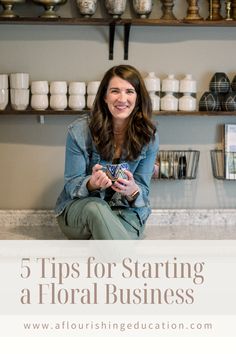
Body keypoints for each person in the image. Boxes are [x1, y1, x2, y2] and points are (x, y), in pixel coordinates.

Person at [55, 64, 159, 240]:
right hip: (82, 211)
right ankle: (123, 260)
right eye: (115, 91)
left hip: (124, 213)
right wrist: (91, 184)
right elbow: (71, 185)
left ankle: (104, 249)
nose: (122, 98)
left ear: (138, 98)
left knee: (113, 234)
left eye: (129, 91)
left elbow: (143, 192)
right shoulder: (79, 131)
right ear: (104, 96)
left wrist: (132, 190)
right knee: (95, 208)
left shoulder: (149, 137)